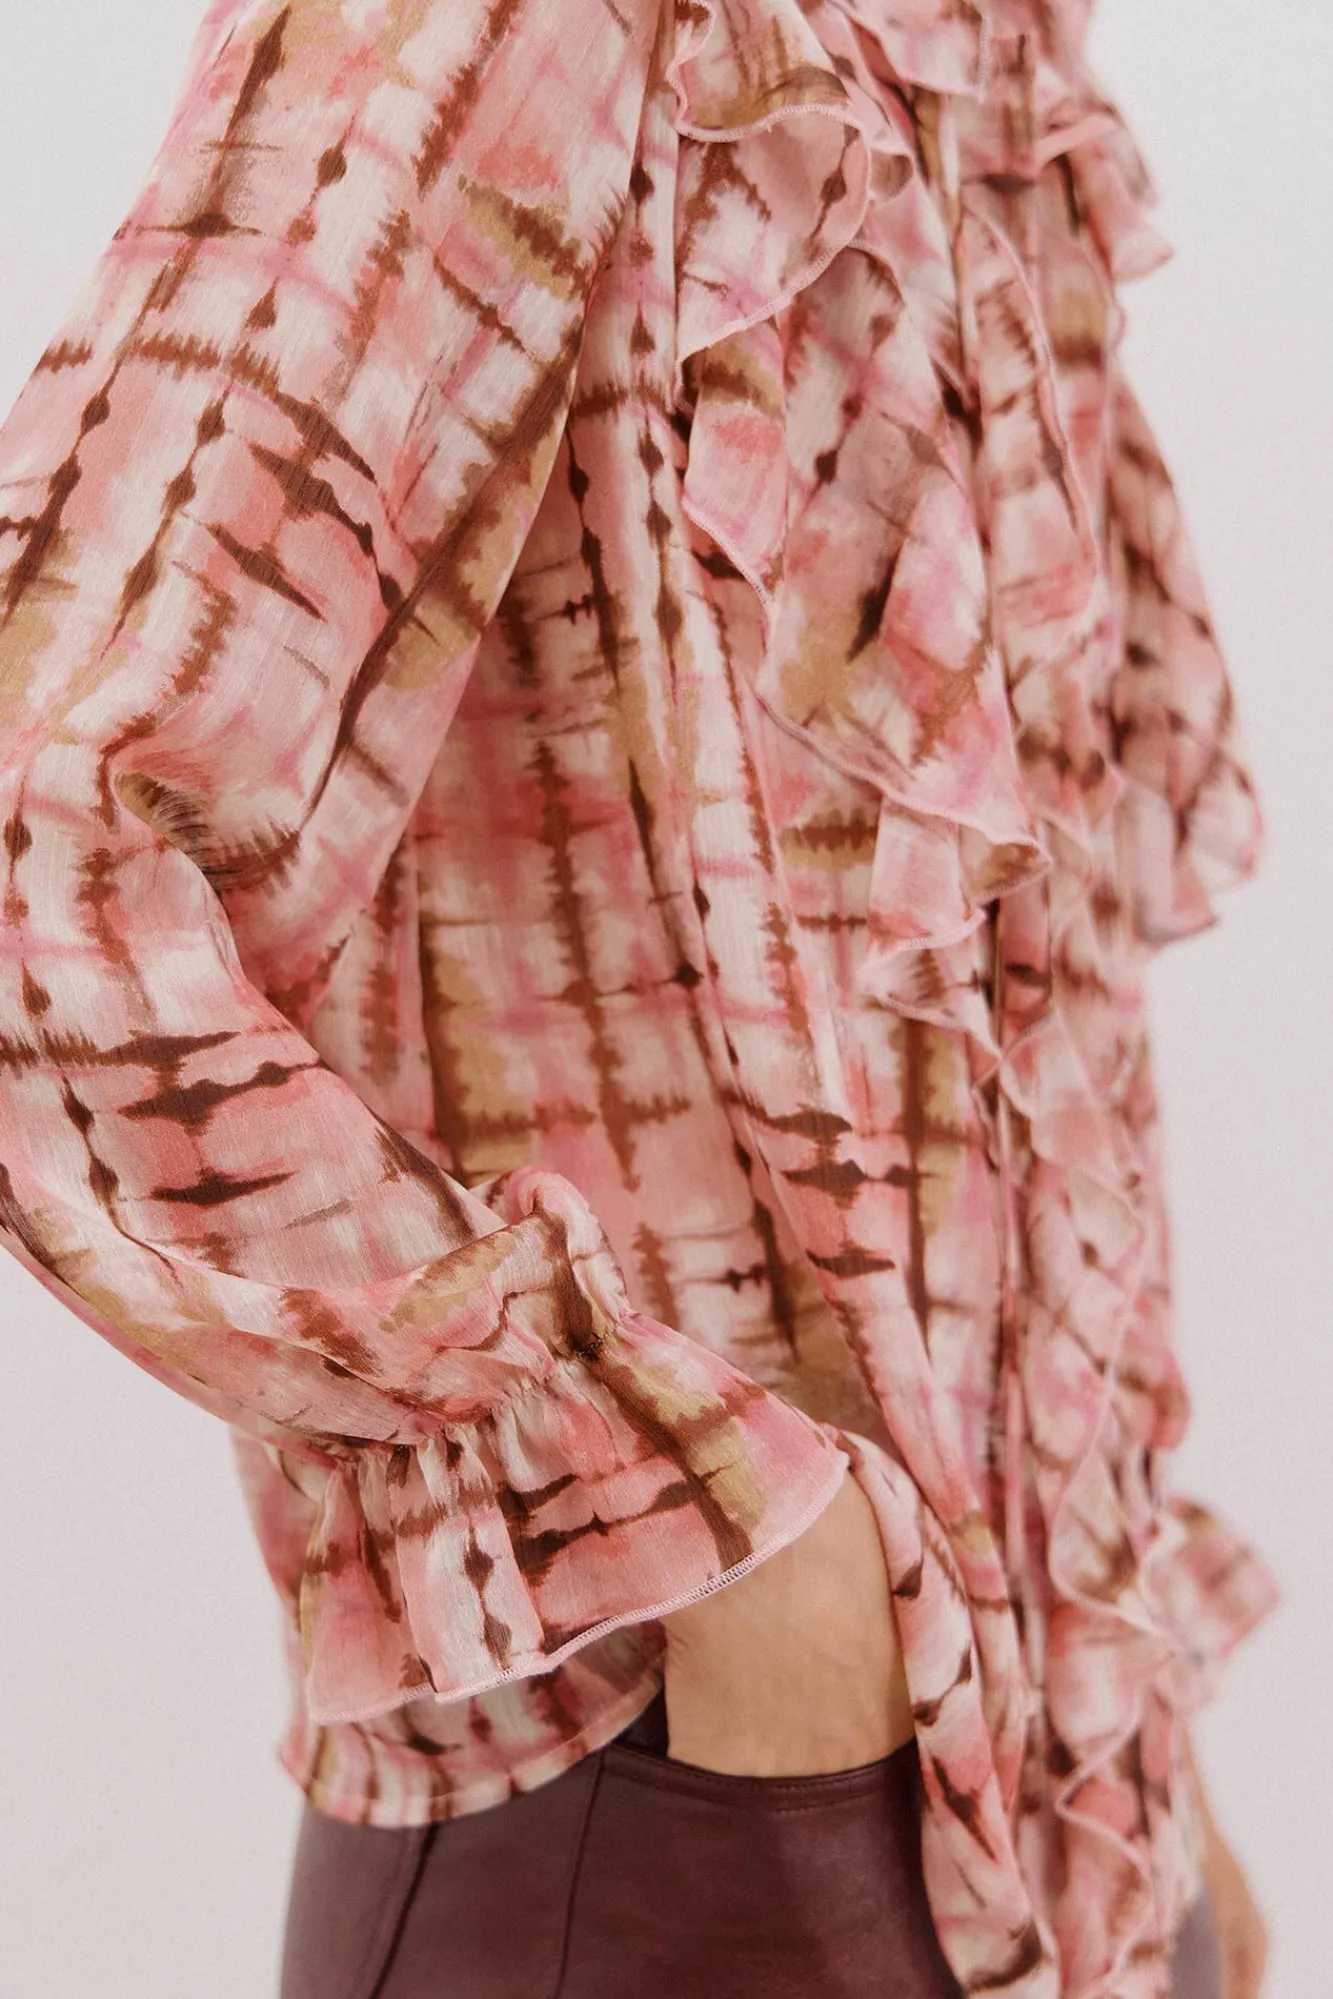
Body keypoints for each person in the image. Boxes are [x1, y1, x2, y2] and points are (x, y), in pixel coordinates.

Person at [0, 0, 1280, 1993]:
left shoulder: (985, 43)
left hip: (1048, 1811)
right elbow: (43, 849)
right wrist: (699, 1524)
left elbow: (999, 1021)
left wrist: (1142, 1756)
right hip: (693, 1803)